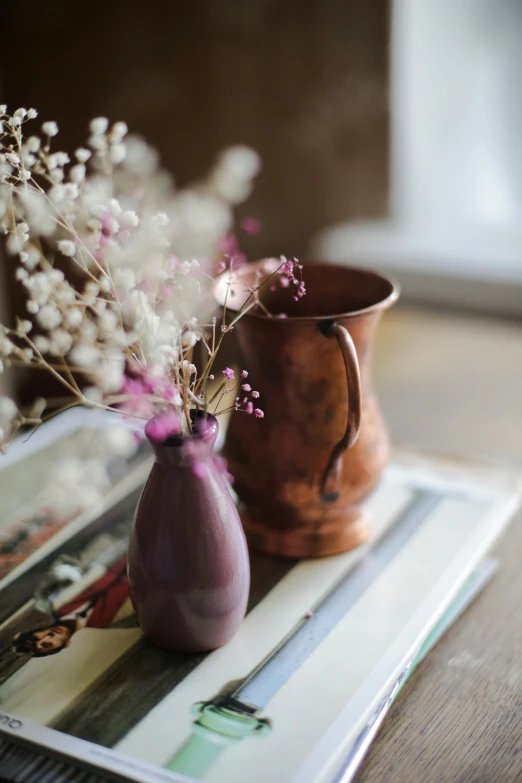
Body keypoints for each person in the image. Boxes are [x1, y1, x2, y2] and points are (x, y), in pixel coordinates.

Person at [12, 557, 131, 657]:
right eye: (47, 644)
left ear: (37, 631)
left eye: (36, 638)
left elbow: (64, 564)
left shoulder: (55, 602)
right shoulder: (108, 622)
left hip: (120, 553)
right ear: (66, 644)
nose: (48, 636)